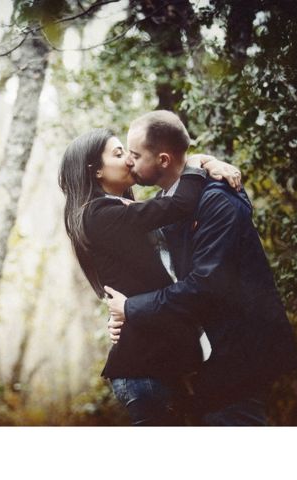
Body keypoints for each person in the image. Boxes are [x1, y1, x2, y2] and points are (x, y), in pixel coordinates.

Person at [105, 110, 297, 426]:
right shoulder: (177, 201)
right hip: (209, 362)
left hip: (239, 356)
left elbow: (206, 285)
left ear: (164, 160)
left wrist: (133, 308)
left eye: (136, 155)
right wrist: (124, 316)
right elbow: (167, 273)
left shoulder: (217, 198)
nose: (129, 161)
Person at [58, 127, 241, 425]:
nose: (130, 160)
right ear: (96, 172)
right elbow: (178, 205)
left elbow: (143, 274)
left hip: (160, 362)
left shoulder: (117, 210)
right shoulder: (98, 215)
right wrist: (195, 162)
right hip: (144, 369)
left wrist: (207, 162)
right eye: (119, 154)